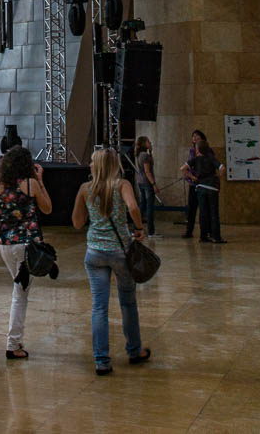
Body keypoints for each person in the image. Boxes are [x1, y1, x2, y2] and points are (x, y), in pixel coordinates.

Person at [72, 148, 150, 374]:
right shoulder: (122, 185)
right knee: (128, 303)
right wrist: (138, 227)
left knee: (99, 306)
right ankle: (134, 350)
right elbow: (133, 207)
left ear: (96, 166)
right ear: (115, 165)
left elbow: (77, 223)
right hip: (120, 252)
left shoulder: (85, 189)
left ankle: (101, 360)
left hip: (94, 254)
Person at [0, 145, 52, 361]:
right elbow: (47, 208)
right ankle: (13, 343)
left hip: (5, 245)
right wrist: (41, 181)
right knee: (20, 294)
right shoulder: (31, 185)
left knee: (19, 289)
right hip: (28, 245)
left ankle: (15, 341)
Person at [183, 135, 225, 243]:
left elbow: (183, 168)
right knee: (214, 213)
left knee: (203, 213)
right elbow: (222, 168)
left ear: (198, 149)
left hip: (201, 187)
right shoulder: (212, 158)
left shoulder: (195, 159)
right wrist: (219, 176)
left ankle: (203, 236)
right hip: (212, 188)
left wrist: (192, 177)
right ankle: (216, 237)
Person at [133, 136, 162, 239]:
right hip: (147, 183)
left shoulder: (141, 154)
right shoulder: (144, 155)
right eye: (148, 141)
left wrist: (151, 152)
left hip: (140, 182)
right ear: (144, 144)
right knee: (149, 208)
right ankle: (151, 232)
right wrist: (154, 184)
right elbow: (147, 171)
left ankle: (136, 229)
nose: (150, 143)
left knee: (142, 206)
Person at [182, 128, 206, 237]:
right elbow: (187, 167)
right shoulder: (192, 152)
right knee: (191, 208)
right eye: (193, 136)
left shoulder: (207, 151)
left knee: (204, 209)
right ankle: (189, 231)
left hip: (204, 184)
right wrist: (191, 177)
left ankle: (205, 232)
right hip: (193, 183)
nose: (195, 138)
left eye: (197, 136)